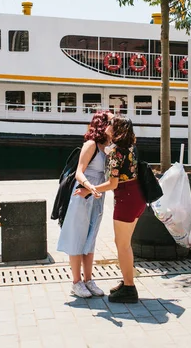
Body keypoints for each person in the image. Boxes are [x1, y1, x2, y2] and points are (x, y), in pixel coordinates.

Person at [76, 115, 145, 303]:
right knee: (124, 243)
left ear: (117, 130)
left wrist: (89, 190)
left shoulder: (116, 152)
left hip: (126, 198)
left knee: (122, 245)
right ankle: (127, 281)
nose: (108, 125)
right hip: (137, 196)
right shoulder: (131, 147)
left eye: (112, 124)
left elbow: (113, 183)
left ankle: (129, 288)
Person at [57, 110, 112, 298]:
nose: (115, 125)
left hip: (97, 196)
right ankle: (76, 282)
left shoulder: (110, 146)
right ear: (103, 125)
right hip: (82, 194)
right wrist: (90, 186)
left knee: (90, 238)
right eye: (112, 121)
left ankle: (89, 280)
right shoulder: (91, 145)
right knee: (77, 238)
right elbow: (80, 172)